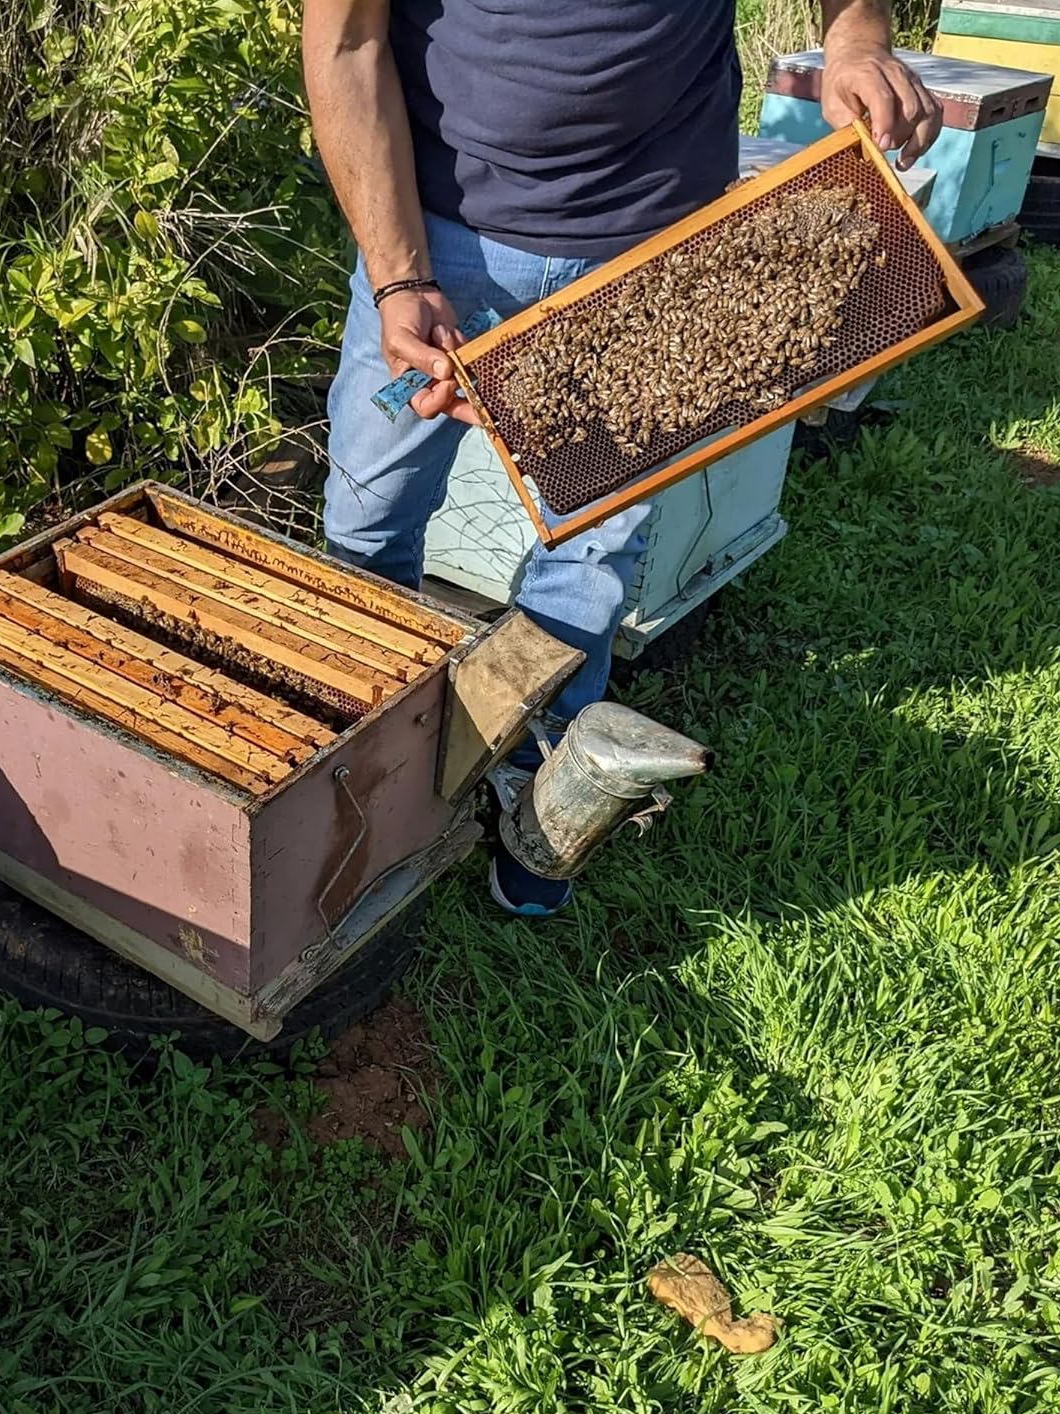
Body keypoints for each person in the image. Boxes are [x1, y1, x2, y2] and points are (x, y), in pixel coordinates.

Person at [303, 0, 941, 915]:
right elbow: (345, 41)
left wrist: (856, 41)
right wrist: (399, 274)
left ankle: (547, 800)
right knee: (369, 519)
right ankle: (357, 773)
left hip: (658, 249)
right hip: (439, 240)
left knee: (593, 555)